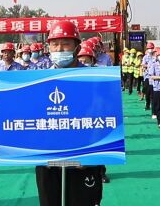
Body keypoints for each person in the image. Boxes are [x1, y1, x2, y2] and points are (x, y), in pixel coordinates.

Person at [36, 21, 103, 206]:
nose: (59, 49)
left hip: (84, 161)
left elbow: (106, 119)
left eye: (65, 43)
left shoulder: (95, 80)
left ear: (77, 47)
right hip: (48, 160)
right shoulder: (36, 81)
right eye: (55, 44)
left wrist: (92, 156)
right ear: (48, 47)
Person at [141, 43, 156, 111]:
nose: (150, 50)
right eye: (149, 48)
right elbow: (143, 65)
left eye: (151, 48)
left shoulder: (155, 57)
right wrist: (148, 66)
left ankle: (153, 106)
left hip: (154, 77)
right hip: (147, 76)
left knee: (153, 93)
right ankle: (147, 104)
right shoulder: (145, 57)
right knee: (147, 92)